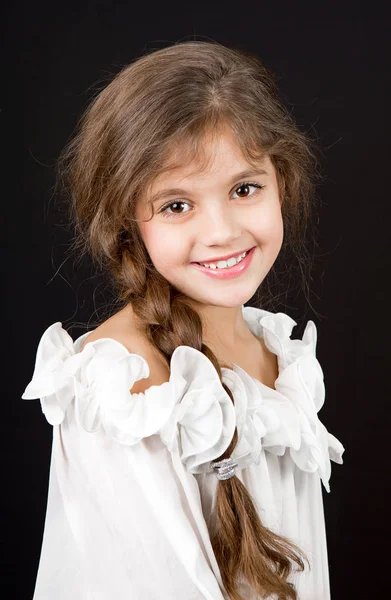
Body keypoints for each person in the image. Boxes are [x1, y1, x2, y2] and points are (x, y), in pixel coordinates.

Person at [21, 41, 345, 600]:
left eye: (245, 189)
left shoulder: (275, 354)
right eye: (177, 205)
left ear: (281, 185)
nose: (220, 231)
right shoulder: (127, 388)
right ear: (128, 221)